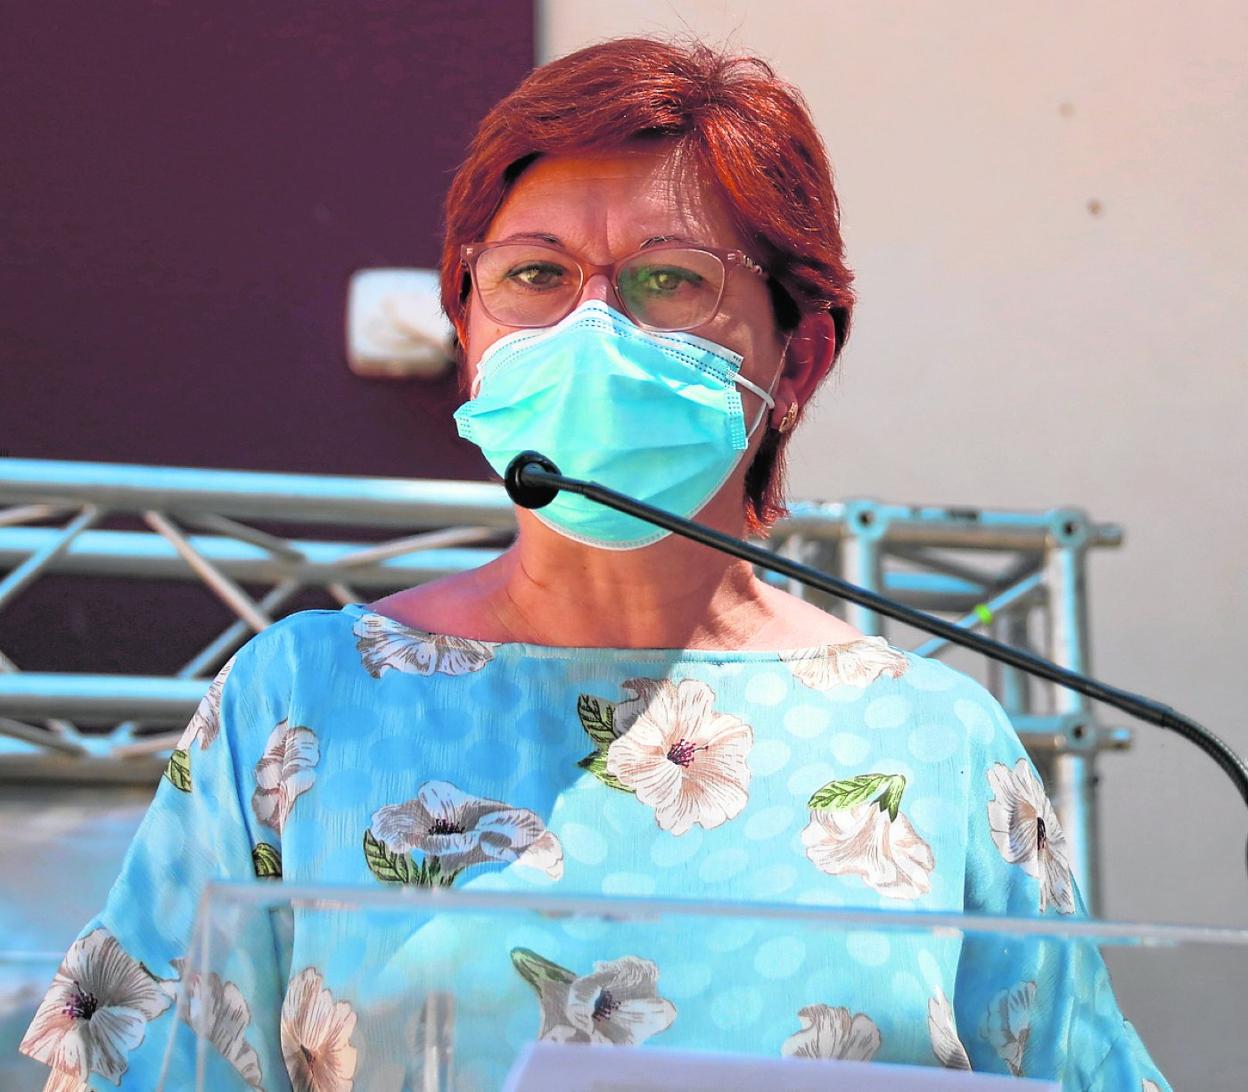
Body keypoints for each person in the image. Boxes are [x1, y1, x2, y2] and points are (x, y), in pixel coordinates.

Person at [21, 37, 1168, 1091]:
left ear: (800, 357)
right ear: (467, 332)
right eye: (534, 276)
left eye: (669, 279)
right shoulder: (298, 709)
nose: (591, 328)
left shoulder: (938, 745)